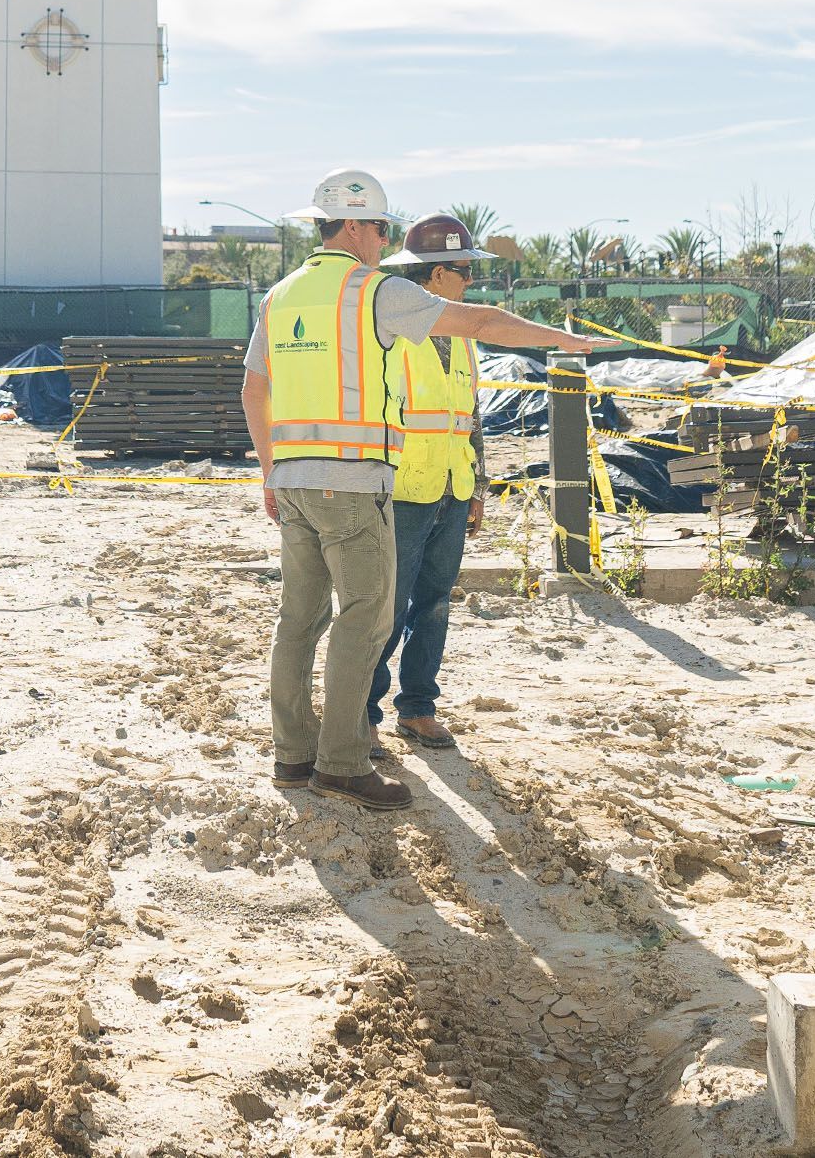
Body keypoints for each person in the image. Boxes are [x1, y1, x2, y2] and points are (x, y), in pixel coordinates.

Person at [241, 168, 596, 812]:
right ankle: (343, 762)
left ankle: (292, 757)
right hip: (353, 484)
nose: (383, 241)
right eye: (380, 228)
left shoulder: (280, 296)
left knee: (298, 622)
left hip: (293, 481)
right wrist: (562, 340)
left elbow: (253, 390)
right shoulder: (370, 291)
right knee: (368, 617)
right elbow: (482, 323)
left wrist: (271, 470)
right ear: (353, 226)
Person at [366, 214, 491, 753]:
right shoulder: (392, 332)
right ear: (437, 274)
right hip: (403, 490)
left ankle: (416, 707)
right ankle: (361, 714)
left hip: (451, 486)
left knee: (434, 603)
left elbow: (472, 417)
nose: (471, 283)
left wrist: (477, 489)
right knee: (385, 608)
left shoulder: (462, 338)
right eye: (465, 271)